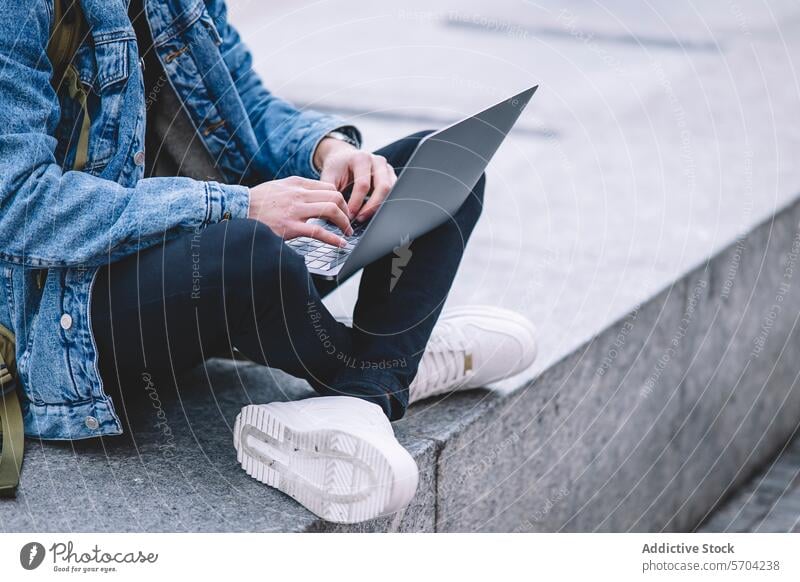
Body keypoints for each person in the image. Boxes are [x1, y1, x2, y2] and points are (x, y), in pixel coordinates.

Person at [0, 0, 537, 523]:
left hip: (206, 265)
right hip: (70, 314)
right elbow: (21, 204)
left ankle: (361, 391)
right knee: (253, 250)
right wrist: (240, 206)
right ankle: (387, 363)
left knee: (443, 170)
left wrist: (329, 152)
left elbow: (245, 100)